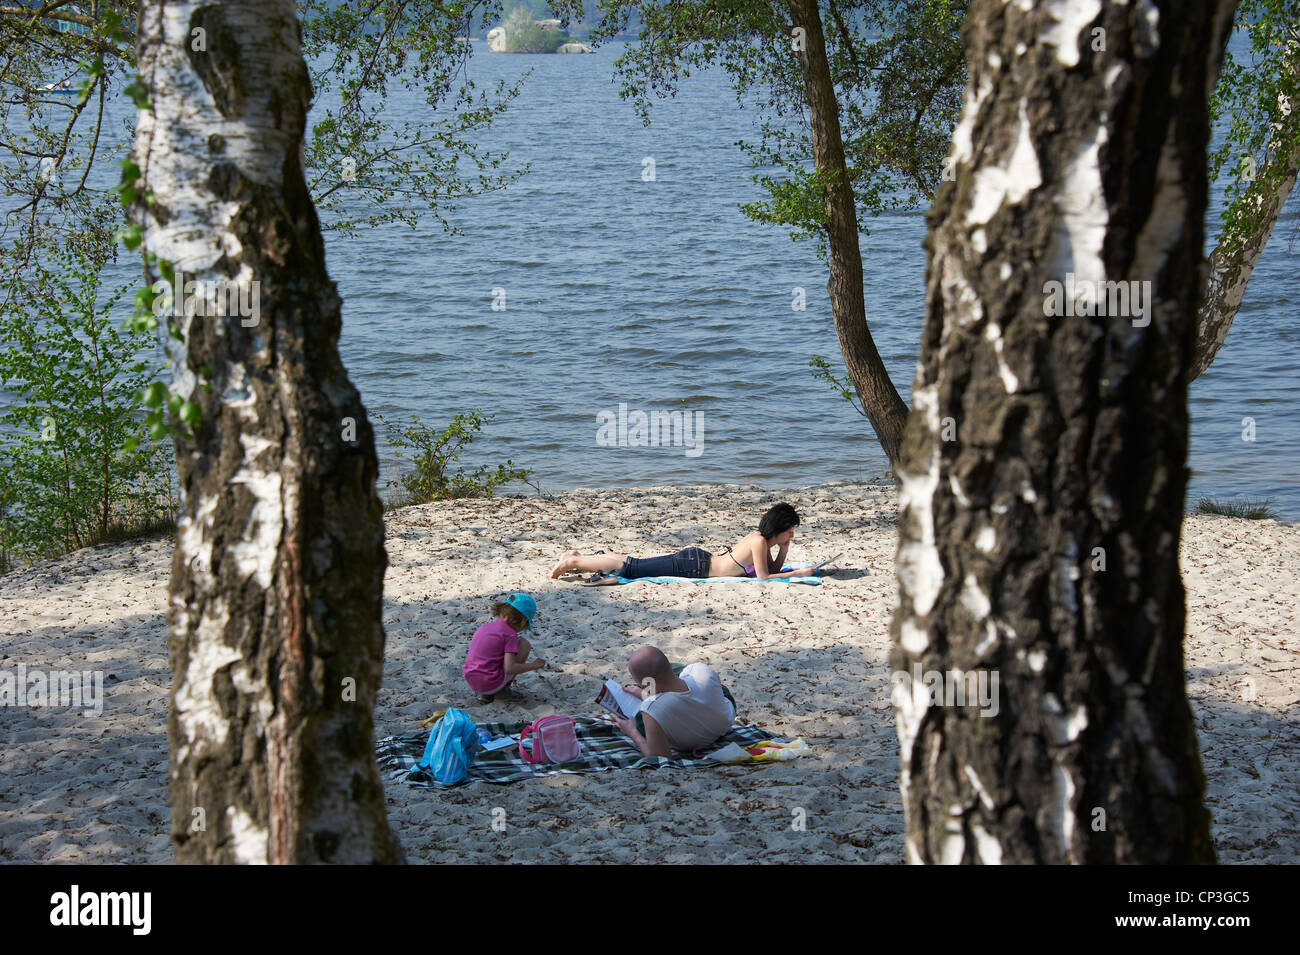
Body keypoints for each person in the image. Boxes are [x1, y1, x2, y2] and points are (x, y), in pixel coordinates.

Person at [548, 502, 815, 581]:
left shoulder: (762, 541)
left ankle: (576, 557)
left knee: (635, 565)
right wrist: (801, 572)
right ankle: (574, 561)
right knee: (632, 568)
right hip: (693, 566)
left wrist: (785, 550)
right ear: (779, 528)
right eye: (790, 531)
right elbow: (764, 579)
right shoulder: (757, 543)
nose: (791, 535)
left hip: (697, 562)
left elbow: (772, 571)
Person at [612, 647, 735, 758]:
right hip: (724, 718)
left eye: (642, 685)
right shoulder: (701, 669)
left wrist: (632, 731)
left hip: (695, 741)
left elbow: (659, 758)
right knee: (680, 670)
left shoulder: (651, 709)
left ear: (648, 684)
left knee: (639, 723)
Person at [462, 593, 546, 703]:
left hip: (472, 680)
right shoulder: (510, 635)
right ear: (522, 621)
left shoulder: (485, 627)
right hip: (490, 683)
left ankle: (485, 695)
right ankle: (502, 691)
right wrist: (533, 665)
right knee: (524, 644)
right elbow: (510, 668)